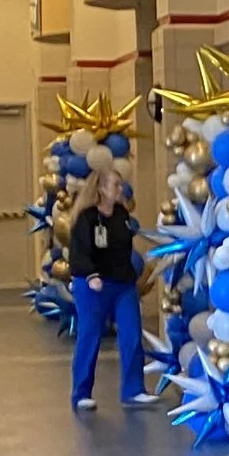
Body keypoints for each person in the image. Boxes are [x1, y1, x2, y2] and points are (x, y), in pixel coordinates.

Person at [67, 163, 148, 411]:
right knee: (90, 336)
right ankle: (81, 393)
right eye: (115, 184)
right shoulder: (87, 218)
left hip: (122, 285)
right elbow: (79, 253)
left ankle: (134, 390)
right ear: (101, 188)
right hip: (93, 285)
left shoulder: (122, 216)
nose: (120, 188)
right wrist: (91, 275)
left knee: (132, 334)